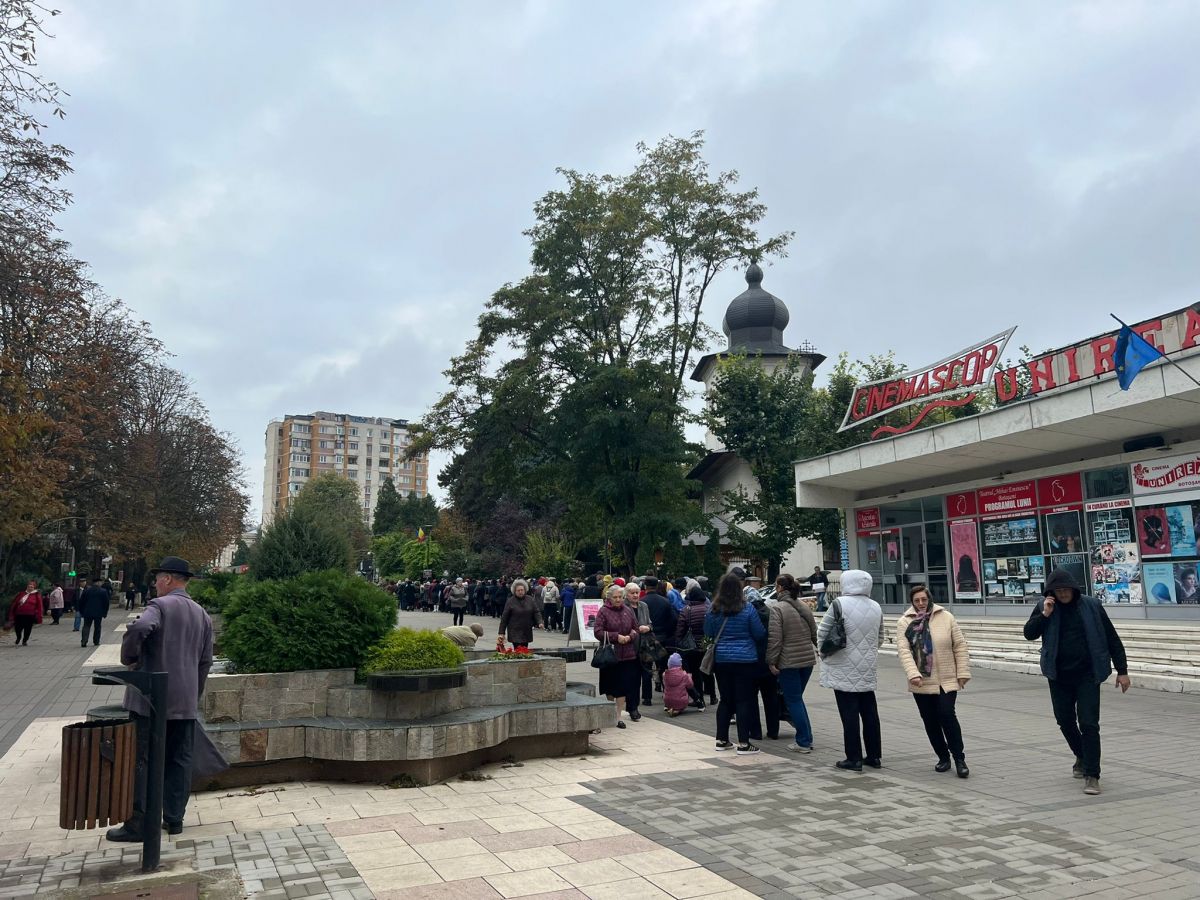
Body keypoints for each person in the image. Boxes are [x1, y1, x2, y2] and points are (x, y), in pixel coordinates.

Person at [106, 557, 214, 842]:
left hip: (150, 699)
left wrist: (130, 656)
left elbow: (140, 628)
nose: (154, 585)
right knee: (179, 760)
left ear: (167, 579)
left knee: (141, 759)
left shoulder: (160, 606)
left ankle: (139, 824)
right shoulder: (201, 614)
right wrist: (193, 693)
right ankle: (174, 819)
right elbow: (206, 661)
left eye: (157, 579)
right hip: (184, 702)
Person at [1023, 568, 1130, 796]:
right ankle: (1082, 755)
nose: (1063, 594)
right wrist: (1044, 615)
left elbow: (1111, 637)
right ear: (1051, 592)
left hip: (1087, 675)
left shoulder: (1091, 605)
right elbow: (1029, 633)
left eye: (1066, 590)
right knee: (1064, 720)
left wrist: (1122, 670)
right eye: (1058, 590)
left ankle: (1092, 775)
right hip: (1059, 676)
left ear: (1074, 589)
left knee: (1089, 724)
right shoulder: (1045, 606)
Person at [896, 584, 972, 777]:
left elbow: (960, 645)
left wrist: (963, 672)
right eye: (916, 600)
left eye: (924, 599)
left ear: (929, 599)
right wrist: (913, 673)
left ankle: (959, 759)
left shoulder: (946, 617)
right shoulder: (905, 622)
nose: (921, 603)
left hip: (947, 679)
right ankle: (943, 757)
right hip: (922, 681)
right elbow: (904, 651)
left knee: (947, 715)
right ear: (912, 602)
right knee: (930, 721)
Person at [817, 569, 884, 772]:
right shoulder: (875, 606)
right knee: (870, 713)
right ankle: (874, 756)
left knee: (849, 715)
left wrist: (824, 654)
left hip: (842, 666)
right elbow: (880, 637)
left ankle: (853, 758)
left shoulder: (839, 603)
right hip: (867, 667)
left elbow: (823, 631)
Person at [705, 573, 767, 755]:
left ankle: (721, 739)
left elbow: (708, 632)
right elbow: (759, 633)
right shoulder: (747, 609)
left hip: (722, 660)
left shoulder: (713, 609)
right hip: (745, 660)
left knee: (725, 699)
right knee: (743, 700)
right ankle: (744, 743)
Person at [767, 574, 818, 753]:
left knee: (793, 701)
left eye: (776, 585)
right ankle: (807, 738)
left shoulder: (777, 608)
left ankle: (803, 742)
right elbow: (814, 632)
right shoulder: (803, 606)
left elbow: (775, 639)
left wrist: (771, 661)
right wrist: (820, 649)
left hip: (788, 661)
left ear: (781, 588)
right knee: (797, 699)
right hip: (807, 660)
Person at [593, 584, 641, 728]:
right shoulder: (603, 611)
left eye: (620, 597)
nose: (618, 600)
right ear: (609, 598)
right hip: (610, 655)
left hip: (627, 655)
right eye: (615, 597)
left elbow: (636, 628)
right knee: (609, 685)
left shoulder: (627, 610)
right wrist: (616, 637)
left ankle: (618, 716)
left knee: (623, 686)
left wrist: (630, 636)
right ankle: (610, 711)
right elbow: (597, 632)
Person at [676, 584, 714, 708]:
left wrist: (678, 642)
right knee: (708, 669)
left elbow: (681, 629)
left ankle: (700, 698)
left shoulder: (686, 610)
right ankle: (713, 696)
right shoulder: (709, 608)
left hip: (692, 645)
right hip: (707, 642)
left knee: (696, 672)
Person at [640, 577, 677, 694]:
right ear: (657, 586)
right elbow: (673, 620)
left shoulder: (641, 602)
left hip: (647, 638)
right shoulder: (665, 601)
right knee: (664, 666)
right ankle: (666, 691)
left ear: (645, 586)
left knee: (646, 668)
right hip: (663, 637)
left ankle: (647, 696)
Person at [623, 583, 655, 707]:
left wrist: (648, 628)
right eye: (632, 593)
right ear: (627, 594)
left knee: (647, 672)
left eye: (637, 592)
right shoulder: (623, 606)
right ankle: (631, 698)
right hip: (631, 645)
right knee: (632, 674)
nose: (636, 595)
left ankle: (647, 697)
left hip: (645, 644)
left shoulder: (644, 605)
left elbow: (650, 623)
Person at [498, 578, 543, 651]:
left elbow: (536, 612)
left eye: (522, 590)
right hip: (514, 630)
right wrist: (501, 632)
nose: (520, 592)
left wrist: (540, 622)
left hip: (526, 630)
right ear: (514, 591)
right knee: (518, 650)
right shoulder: (510, 601)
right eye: (518, 590)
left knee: (525, 648)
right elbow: (504, 618)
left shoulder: (530, 599)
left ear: (525, 590)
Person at [78, 576, 111, 648]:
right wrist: (105, 613)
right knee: (97, 627)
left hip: (87, 612)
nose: (101, 584)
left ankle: (84, 641)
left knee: (86, 626)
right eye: (101, 582)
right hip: (99, 613)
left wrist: (82, 611)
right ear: (98, 582)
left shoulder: (87, 591)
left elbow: (81, 602)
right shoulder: (103, 591)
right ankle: (96, 641)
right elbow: (106, 603)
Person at [9, 580, 43, 646]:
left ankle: (25, 640)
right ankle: (18, 637)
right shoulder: (21, 594)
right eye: (29, 586)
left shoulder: (36, 595)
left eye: (31, 587)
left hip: (30, 615)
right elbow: (14, 603)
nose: (30, 588)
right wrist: (12, 612)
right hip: (19, 614)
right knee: (18, 628)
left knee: (28, 628)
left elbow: (39, 606)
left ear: (34, 588)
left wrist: (39, 616)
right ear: (27, 587)